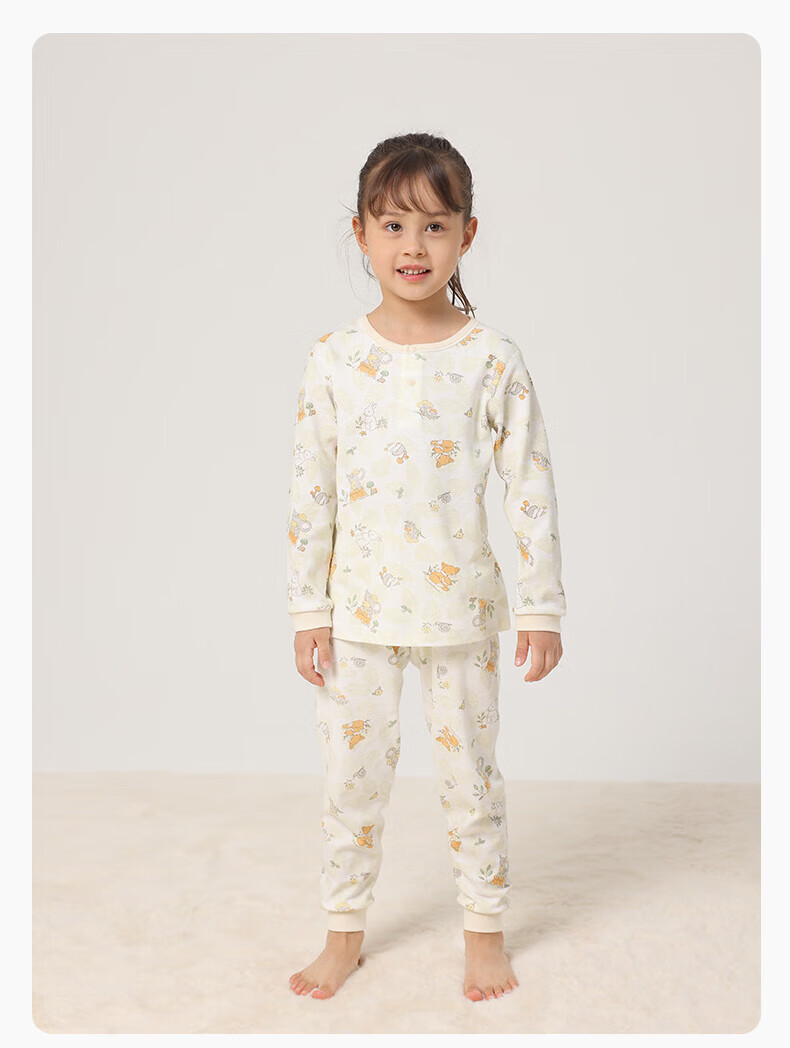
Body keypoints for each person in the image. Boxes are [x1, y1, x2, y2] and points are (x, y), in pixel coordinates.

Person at [285, 132, 566, 1002]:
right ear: (362, 233)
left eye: (435, 225)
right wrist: (308, 609)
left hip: (460, 615)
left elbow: (530, 485)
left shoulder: (492, 358)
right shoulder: (334, 358)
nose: (414, 246)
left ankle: (484, 932)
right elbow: (311, 490)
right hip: (358, 616)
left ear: (467, 234)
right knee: (351, 784)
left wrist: (541, 607)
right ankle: (343, 934)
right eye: (394, 224)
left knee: (471, 779)